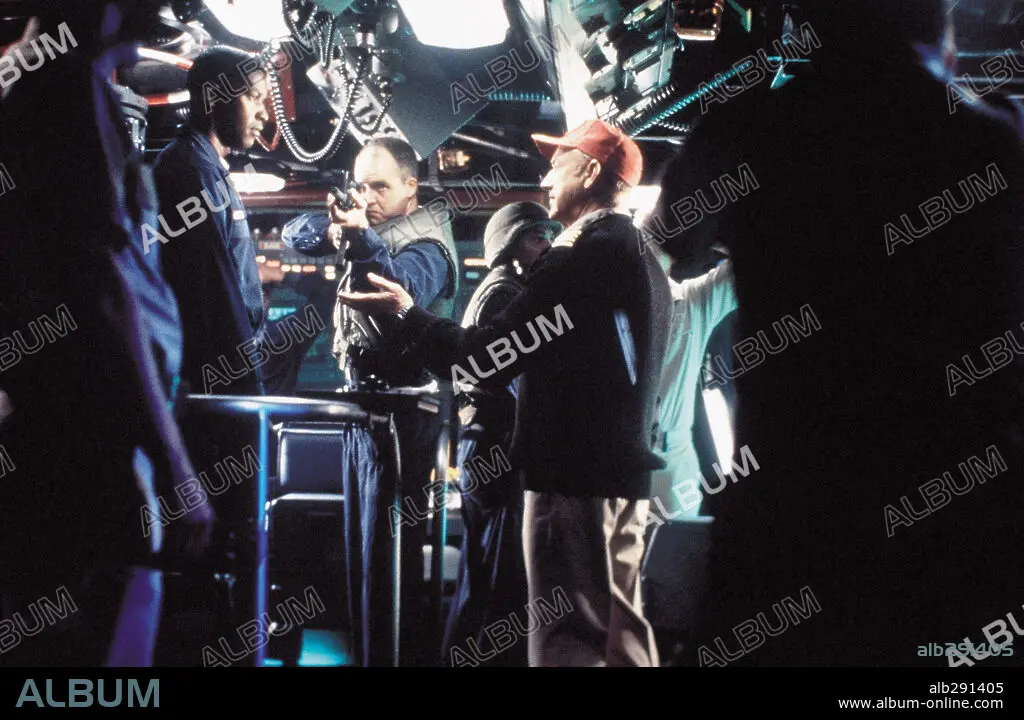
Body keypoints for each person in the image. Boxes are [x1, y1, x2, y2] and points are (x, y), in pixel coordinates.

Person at [656, 0, 1024, 665]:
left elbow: (673, 232)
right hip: (951, 512)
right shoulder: (990, 140)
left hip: (793, 510)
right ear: (934, 30)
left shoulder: (752, 130)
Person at [340, 119, 672, 667]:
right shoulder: (640, 254)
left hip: (572, 485)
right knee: (623, 637)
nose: (545, 178)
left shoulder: (578, 257)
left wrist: (406, 314)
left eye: (558, 164)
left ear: (590, 172)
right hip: (622, 481)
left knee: (569, 640)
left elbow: (487, 359)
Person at [0, 0, 211, 667]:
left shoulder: (41, 84)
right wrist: (175, 462)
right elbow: (101, 284)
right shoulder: (63, 91)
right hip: (92, 444)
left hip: (78, 434)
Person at [283, 136, 459, 667]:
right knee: (363, 559)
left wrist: (359, 237)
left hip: (403, 420)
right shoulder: (372, 230)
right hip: (369, 412)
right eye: (362, 186)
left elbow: (395, 288)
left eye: (381, 187)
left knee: (388, 563)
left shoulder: (428, 246)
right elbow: (295, 232)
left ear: (412, 186)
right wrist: (337, 229)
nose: (369, 197)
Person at [154, 46, 319, 397]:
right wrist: (247, 393)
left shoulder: (207, 168)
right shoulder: (190, 172)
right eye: (253, 97)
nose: (264, 113)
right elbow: (212, 294)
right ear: (214, 97)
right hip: (216, 384)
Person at [441, 202, 558, 667]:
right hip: (497, 445)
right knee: (496, 578)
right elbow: (507, 377)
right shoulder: (505, 293)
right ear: (509, 246)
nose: (547, 245)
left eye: (550, 236)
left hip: (490, 442)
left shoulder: (505, 289)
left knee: (486, 575)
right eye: (536, 237)